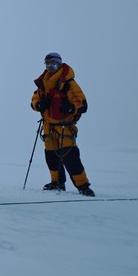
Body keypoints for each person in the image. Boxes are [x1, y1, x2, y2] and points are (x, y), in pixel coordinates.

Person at [31, 52, 95, 197]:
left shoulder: (69, 83)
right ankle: (57, 182)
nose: (50, 67)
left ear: (60, 64)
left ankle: (83, 185)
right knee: (51, 156)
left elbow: (83, 104)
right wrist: (39, 104)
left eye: (53, 63)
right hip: (48, 126)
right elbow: (33, 101)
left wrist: (72, 107)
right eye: (47, 64)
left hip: (65, 125)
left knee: (70, 157)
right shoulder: (43, 83)